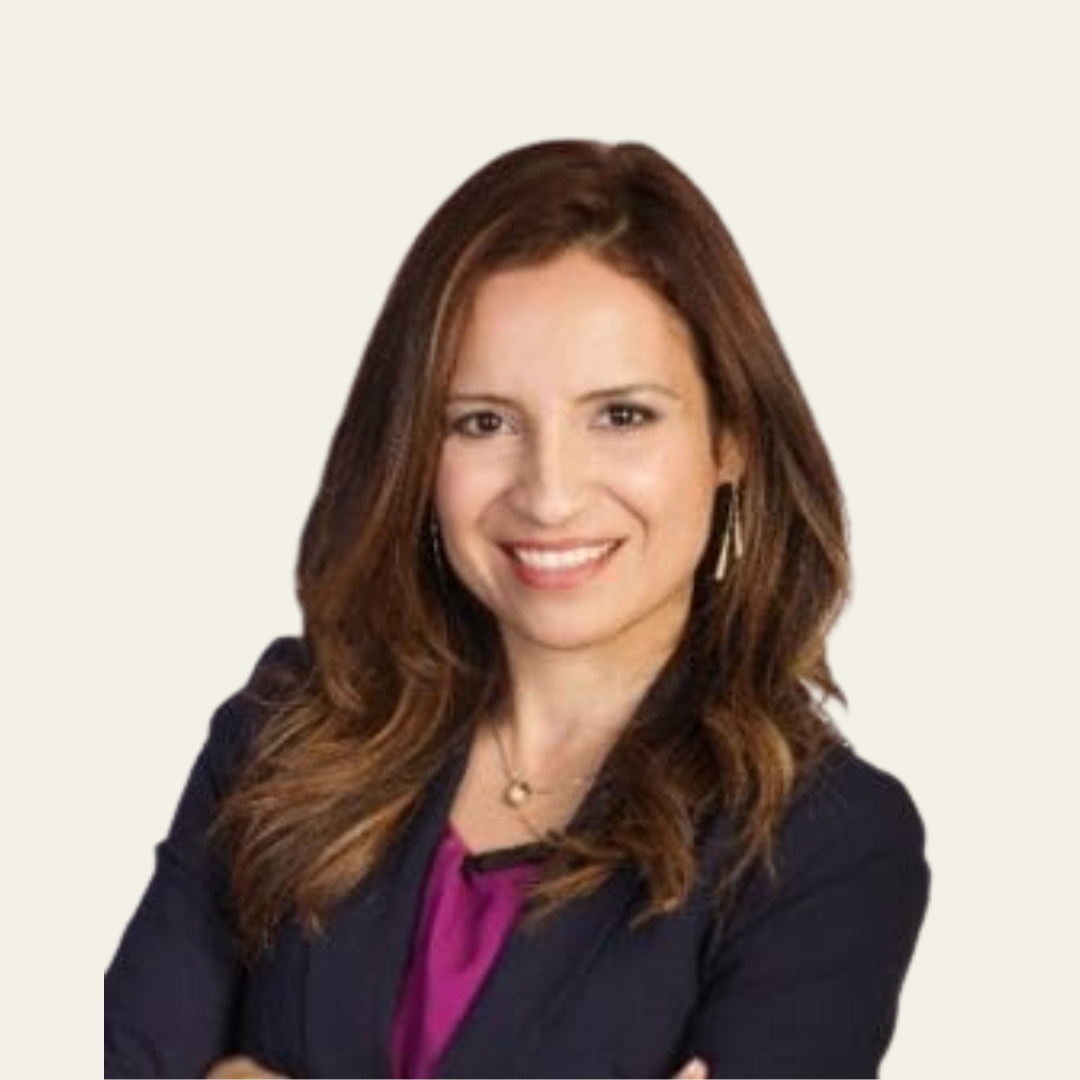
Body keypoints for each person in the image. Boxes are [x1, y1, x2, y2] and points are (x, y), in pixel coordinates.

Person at [104, 139, 930, 1079]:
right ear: (417, 452)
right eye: (483, 422)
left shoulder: (826, 848)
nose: (549, 493)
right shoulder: (281, 732)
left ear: (731, 438)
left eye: (621, 414)